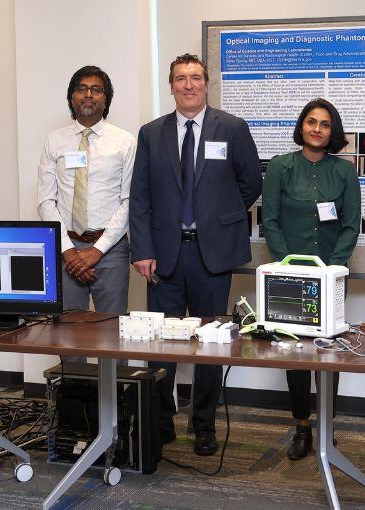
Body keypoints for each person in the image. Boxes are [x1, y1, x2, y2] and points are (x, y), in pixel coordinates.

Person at [129, 53, 261, 456]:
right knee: (162, 345)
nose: (189, 85)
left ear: (207, 84)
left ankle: (203, 425)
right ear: (171, 85)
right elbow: (140, 197)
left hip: (212, 257)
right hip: (164, 257)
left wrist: (216, 218)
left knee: (210, 345)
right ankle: (160, 422)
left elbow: (251, 182)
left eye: (196, 78)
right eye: (181, 79)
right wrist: (143, 250)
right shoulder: (152, 133)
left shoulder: (232, 128)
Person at [261, 98, 359, 460]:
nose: (317, 129)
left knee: (329, 352)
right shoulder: (280, 167)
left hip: (331, 276)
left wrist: (331, 269)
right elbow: (269, 220)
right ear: (301, 126)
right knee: (296, 355)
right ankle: (301, 426)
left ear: (333, 131)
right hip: (289, 275)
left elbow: (351, 224)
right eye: (311, 122)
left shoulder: (344, 171)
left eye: (325, 124)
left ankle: (328, 428)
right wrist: (289, 266)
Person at [37, 65, 136, 364]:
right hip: (66, 249)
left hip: (110, 251)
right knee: (69, 339)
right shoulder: (55, 141)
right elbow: (45, 201)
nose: (89, 94)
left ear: (106, 99)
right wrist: (69, 253)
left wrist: (97, 250)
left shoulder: (124, 141)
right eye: (82, 88)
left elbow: (129, 201)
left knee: (113, 338)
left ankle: (116, 409)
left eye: (96, 89)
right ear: (71, 97)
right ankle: (75, 411)